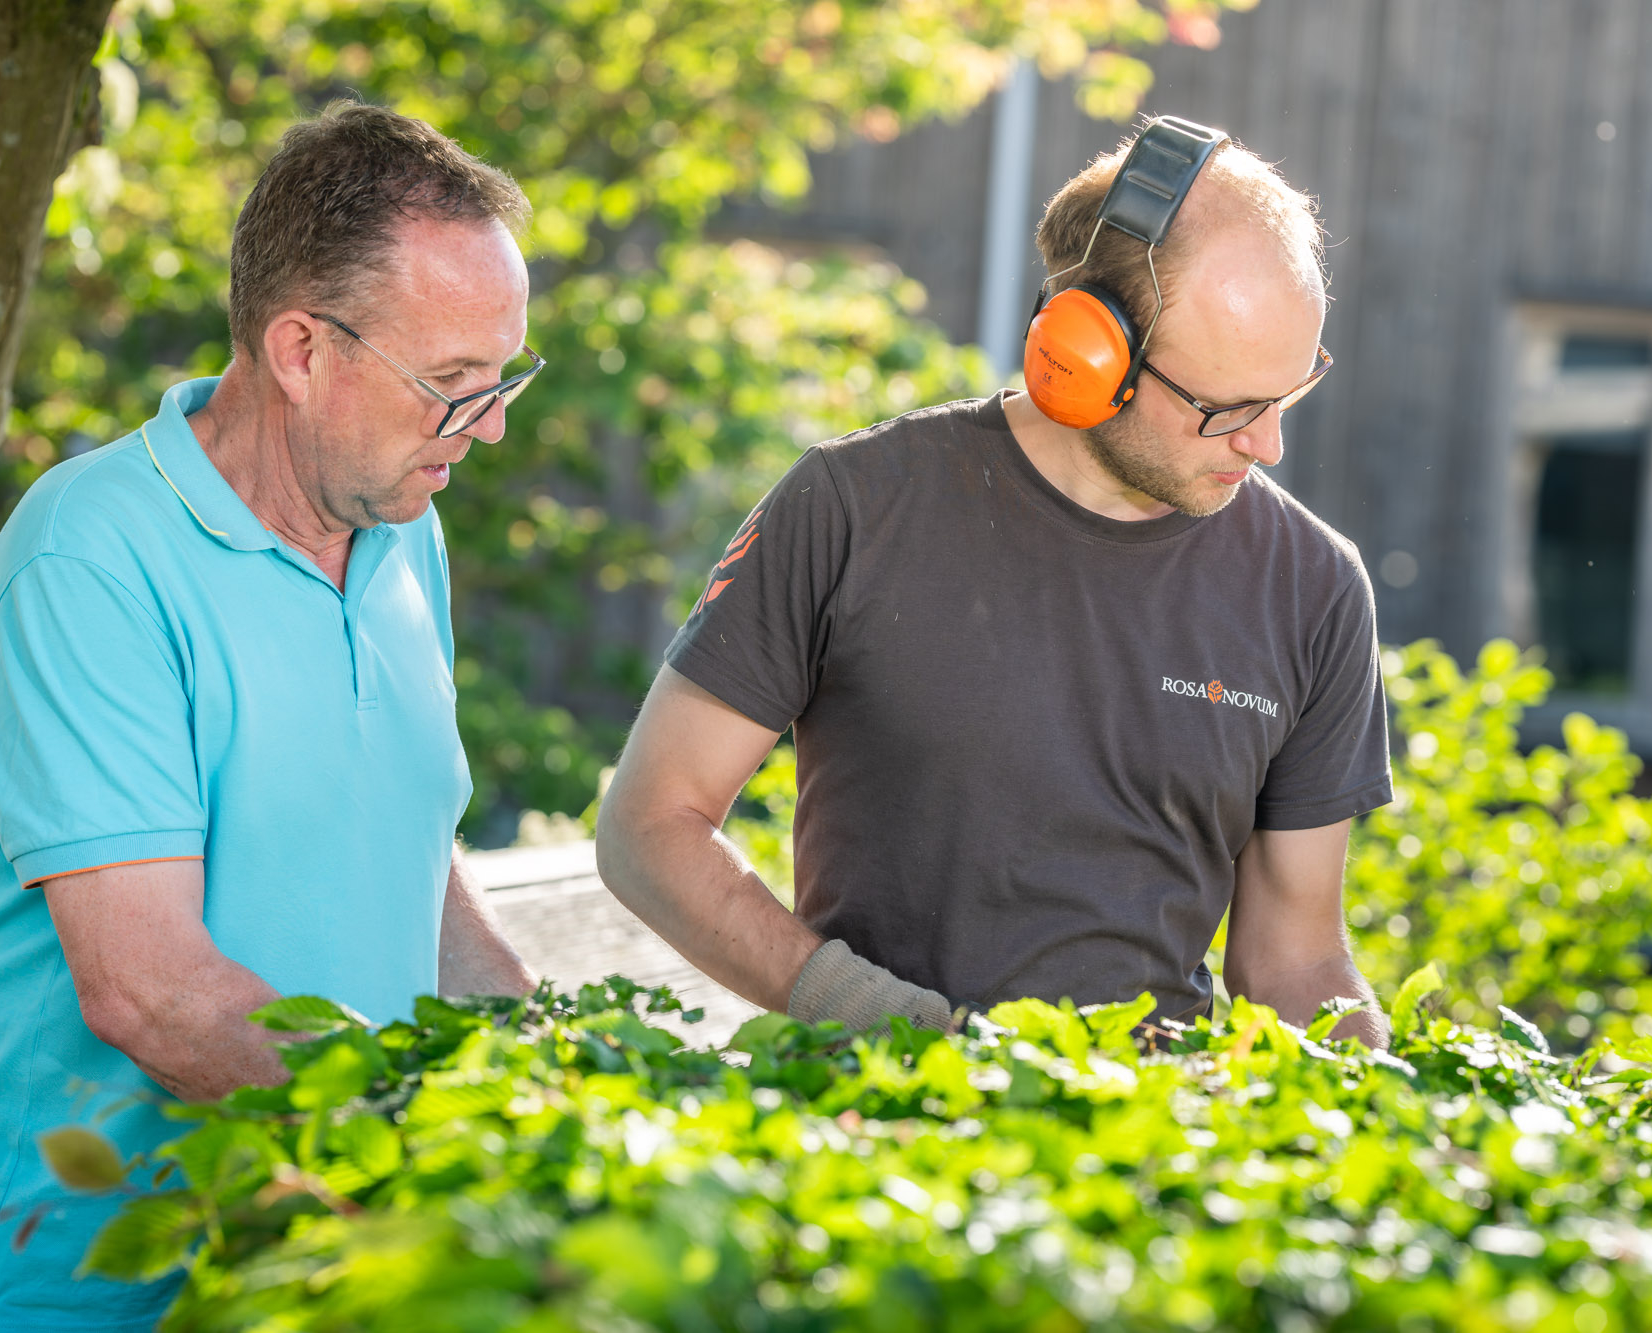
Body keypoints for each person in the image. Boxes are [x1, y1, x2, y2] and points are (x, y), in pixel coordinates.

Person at [0, 103, 541, 1333]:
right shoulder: (90, 559)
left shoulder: (405, 530)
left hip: (312, 1274)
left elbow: (395, 845)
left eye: (507, 374)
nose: (494, 425)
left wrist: (536, 1065)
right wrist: (419, 1146)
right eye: (455, 386)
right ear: (302, 351)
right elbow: (152, 992)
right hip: (76, 1286)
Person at [597, 119, 1393, 1050]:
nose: (1267, 447)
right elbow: (651, 825)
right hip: (881, 1132)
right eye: (1227, 410)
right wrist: (859, 1009)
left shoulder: (1313, 586)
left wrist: (1381, 1101)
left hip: (1169, 1148)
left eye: (1288, 396)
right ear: (1088, 353)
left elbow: (1292, 961)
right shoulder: (856, 507)